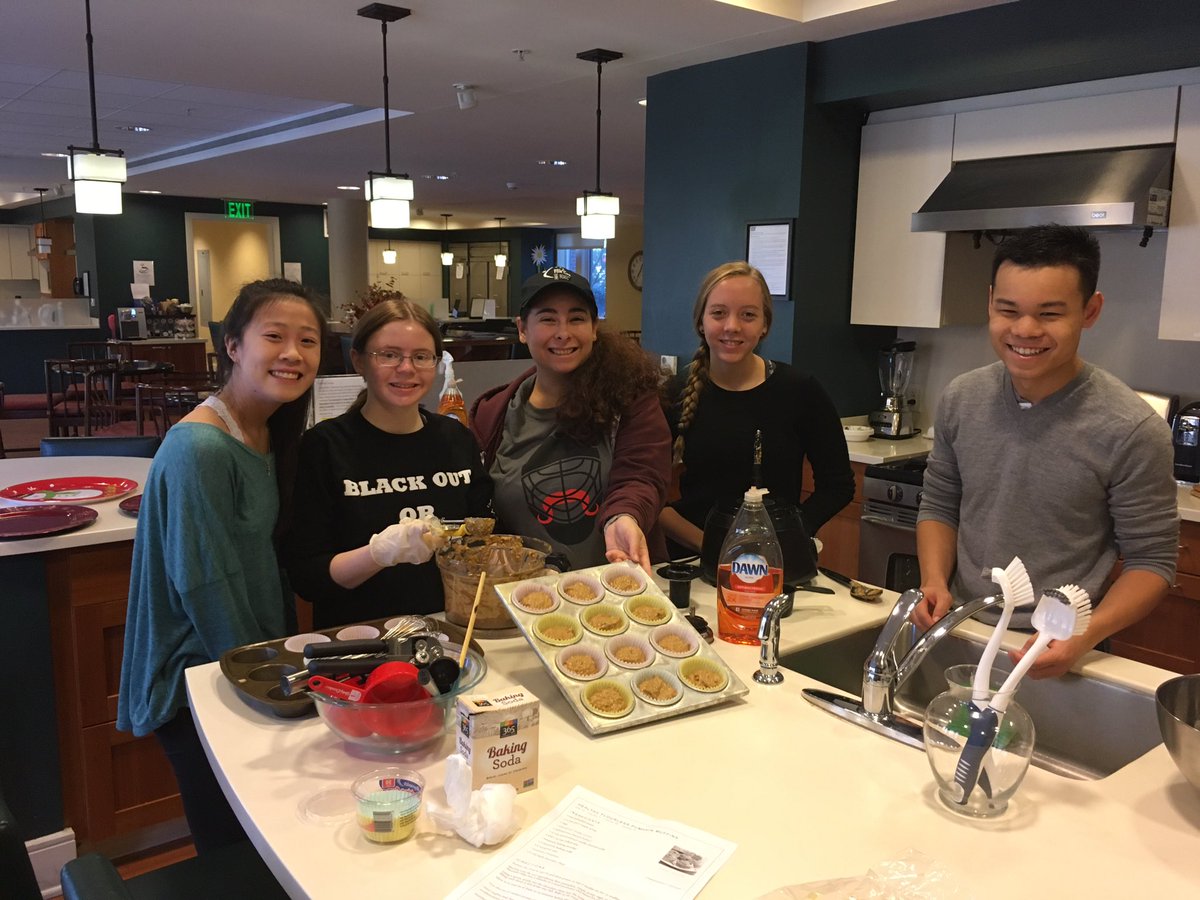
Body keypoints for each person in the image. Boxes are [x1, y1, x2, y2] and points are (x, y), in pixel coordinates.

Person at [912, 224, 1178, 677]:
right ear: (990, 300)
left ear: (1090, 310)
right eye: (1008, 309)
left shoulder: (1131, 429)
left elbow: (1152, 562)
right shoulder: (962, 397)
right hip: (961, 630)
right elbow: (940, 503)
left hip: (1057, 648)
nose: (1025, 330)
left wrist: (1084, 634)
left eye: (1050, 314)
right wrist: (934, 581)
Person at [117, 279, 326, 853]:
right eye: (274, 337)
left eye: (307, 340)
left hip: (246, 663)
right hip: (204, 674)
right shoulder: (201, 449)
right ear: (233, 345)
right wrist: (270, 685)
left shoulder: (270, 428)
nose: (293, 353)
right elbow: (205, 584)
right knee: (234, 854)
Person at [283, 298, 492, 628]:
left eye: (421, 357)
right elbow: (307, 576)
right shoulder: (324, 447)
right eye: (389, 355)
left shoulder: (456, 438)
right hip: (361, 638)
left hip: (450, 627)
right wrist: (379, 553)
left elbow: (486, 529)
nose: (406, 368)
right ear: (359, 361)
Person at [471, 266, 670, 572]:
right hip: (529, 599)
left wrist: (623, 516)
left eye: (576, 318)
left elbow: (641, 475)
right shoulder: (492, 414)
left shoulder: (629, 400)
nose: (563, 332)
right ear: (522, 329)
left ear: (593, 328)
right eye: (548, 319)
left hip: (621, 590)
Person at [661, 261, 854, 556]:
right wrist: (711, 547)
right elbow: (647, 494)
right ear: (701, 321)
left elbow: (838, 485)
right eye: (718, 313)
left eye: (748, 315)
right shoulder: (673, 394)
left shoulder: (800, 391)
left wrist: (788, 536)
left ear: (765, 324)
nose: (732, 326)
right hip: (693, 562)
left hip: (775, 568)